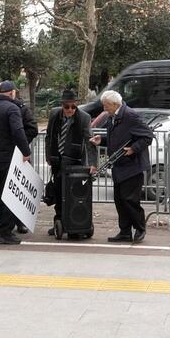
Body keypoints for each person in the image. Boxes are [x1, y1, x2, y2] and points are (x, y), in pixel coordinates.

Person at [90, 90, 153, 243]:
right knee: (120, 200)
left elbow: (147, 136)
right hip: (119, 165)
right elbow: (118, 138)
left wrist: (133, 149)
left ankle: (140, 228)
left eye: (106, 105)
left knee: (130, 199)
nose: (104, 108)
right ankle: (125, 231)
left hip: (132, 166)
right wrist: (102, 139)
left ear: (114, 104)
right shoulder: (113, 116)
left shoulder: (130, 116)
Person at [0, 81, 32, 245]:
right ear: (12, 93)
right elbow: (18, 131)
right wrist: (26, 151)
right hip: (10, 157)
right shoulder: (12, 108)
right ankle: (5, 231)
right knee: (10, 195)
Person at [45, 89, 97, 236]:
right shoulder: (54, 114)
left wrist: (92, 163)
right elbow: (49, 136)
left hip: (75, 162)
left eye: (73, 107)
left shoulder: (84, 118)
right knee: (58, 193)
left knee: (74, 195)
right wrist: (48, 156)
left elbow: (89, 141)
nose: (70, 110)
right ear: (62, 105)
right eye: (67, 106)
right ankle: (59, 222)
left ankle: (75, 223)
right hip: (57, 160)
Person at [0, 80, 38, 234]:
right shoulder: (0, 107)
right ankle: (4, 223)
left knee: (20, 191)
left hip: (19, 154)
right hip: (7, 153)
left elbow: (32, 128)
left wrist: (20, 144)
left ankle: (20, 221)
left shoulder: (22, 109)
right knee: (5, 191)